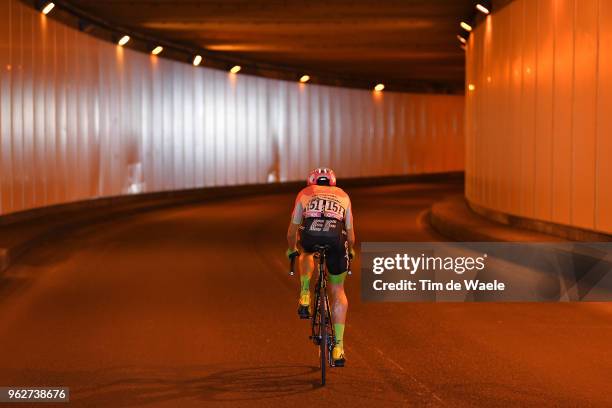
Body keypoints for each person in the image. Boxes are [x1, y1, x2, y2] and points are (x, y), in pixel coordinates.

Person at [286, 167, 355, 366]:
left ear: (311, 182)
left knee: (306, 252)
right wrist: (350, 250)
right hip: (336, 239)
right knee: (338, 289)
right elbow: (350, 235)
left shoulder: (304, 193)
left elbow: (292, 232)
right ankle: (339, 347)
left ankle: (305, 292)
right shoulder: (343, 195)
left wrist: (292, 249)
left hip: (311, 233)